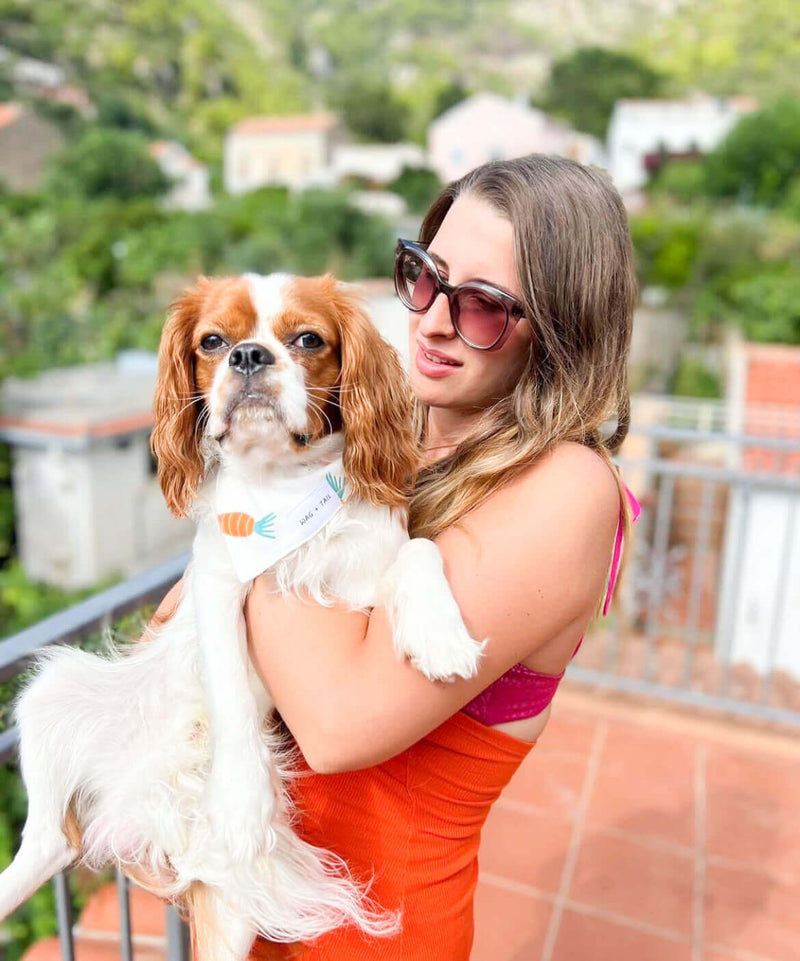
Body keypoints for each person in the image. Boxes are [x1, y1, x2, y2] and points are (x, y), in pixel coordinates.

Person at [235, 154, 639, 960]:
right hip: (266, 909)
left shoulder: (568, 490)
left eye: (484, 306)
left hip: (374, 935)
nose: (431, 320)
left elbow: (339, 722)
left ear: (561, 329)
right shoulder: (393, 444)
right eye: (423, 276)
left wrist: (247, 529)